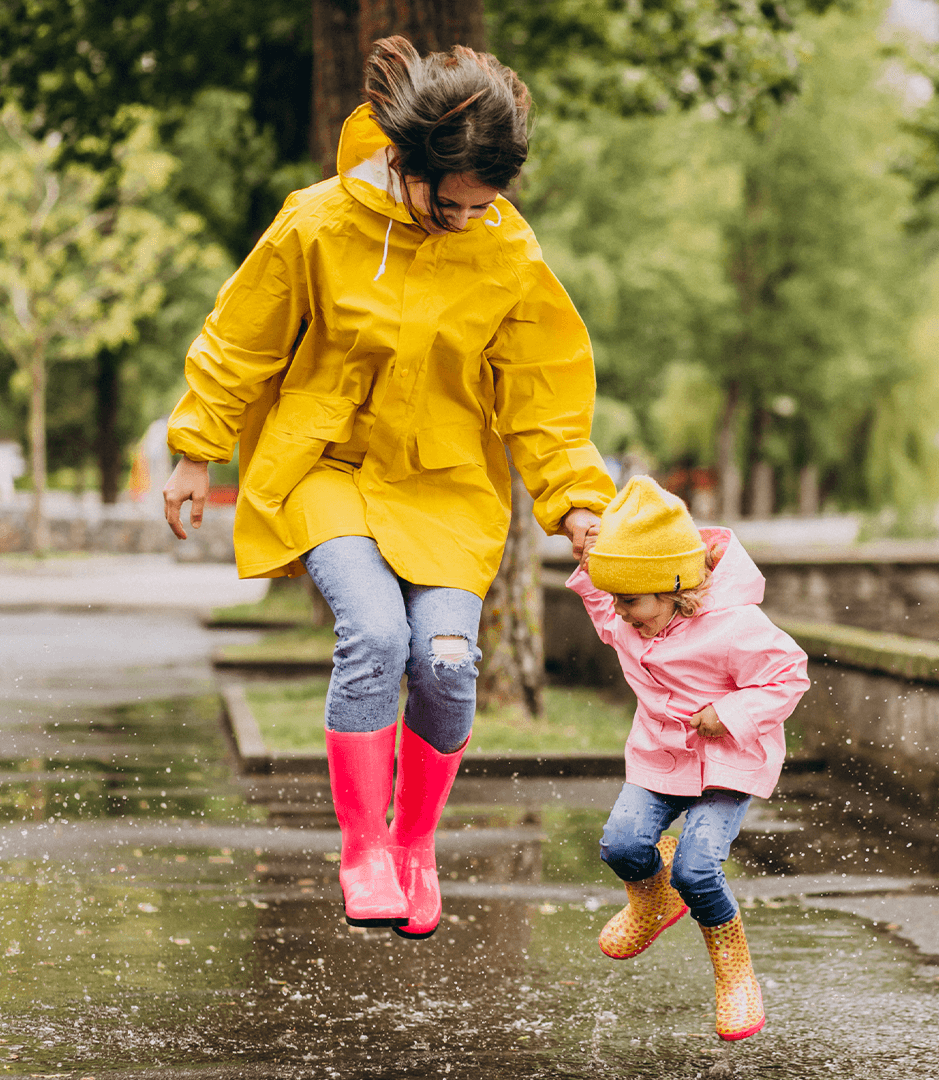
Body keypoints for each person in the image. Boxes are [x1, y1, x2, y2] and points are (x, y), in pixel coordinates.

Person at [163, 36, 615, 939]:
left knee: (445, 663)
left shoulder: (505, 250)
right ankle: (364, 847)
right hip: (329, 469)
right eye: (450, 204)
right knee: (373, 635)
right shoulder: (318, 221)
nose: (467, 220)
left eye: (485, 205)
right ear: (406, 163)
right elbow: (243, 335)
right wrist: (196, 446)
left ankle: (415, 847)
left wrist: (577, 501)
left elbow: (543, 390)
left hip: (447, 484)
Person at [568, 475, 809, 1039]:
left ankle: (734, 974)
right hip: (660, 756)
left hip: (727, 760)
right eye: (618, 599)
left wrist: (730, 713)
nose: (619, 613)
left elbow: (788, 675)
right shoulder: (628, 609)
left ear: (673, 587)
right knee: (622, 844)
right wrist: (593, 542)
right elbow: (599, 589)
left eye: (630, 601)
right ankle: (653, 899)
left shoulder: (734, 624)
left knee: (698, 867)